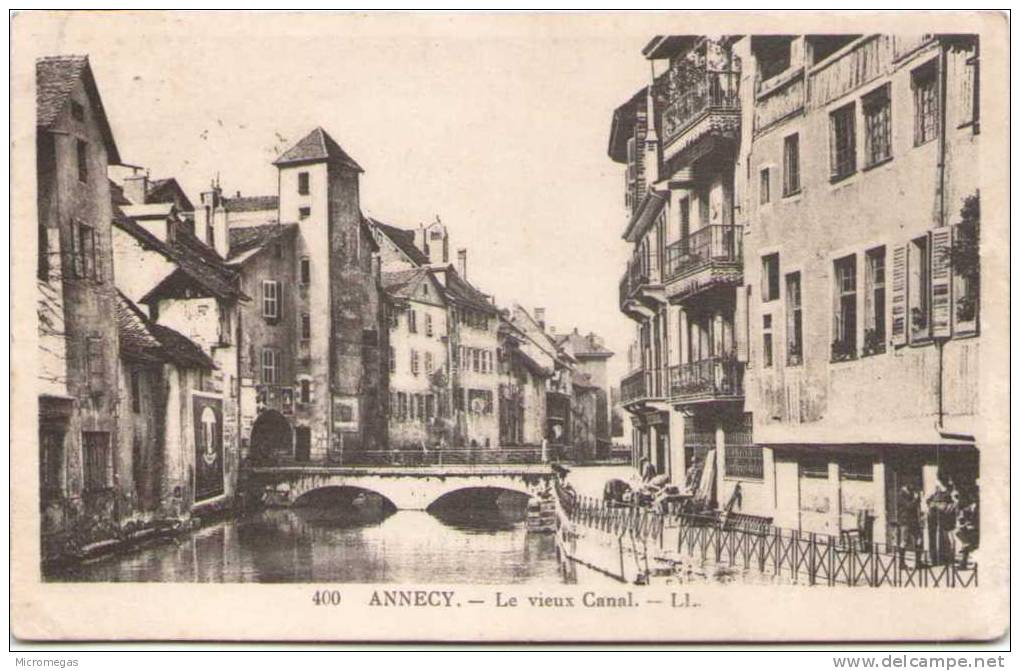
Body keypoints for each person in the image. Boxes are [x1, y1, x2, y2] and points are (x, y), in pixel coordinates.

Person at [925, 473, 957, 565]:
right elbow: (928, 501)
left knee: (943, 538)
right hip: (933, 518)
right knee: (933, 537)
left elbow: (952, 505)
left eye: (938, 483)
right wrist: (932, 504)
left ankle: (943, 558)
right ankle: (934, 558)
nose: (937, 485)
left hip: (943, 519)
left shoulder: (948, 493)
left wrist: (944, 507)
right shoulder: (935, 493)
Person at [895, 483, 922, 568]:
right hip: (905, 521)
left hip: (913, 521)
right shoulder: (901, 495)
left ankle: (918, 562)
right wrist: (916, 499)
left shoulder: (908, 494)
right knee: (904, 541)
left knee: (919, 539)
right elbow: (909, 506)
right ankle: (901, 563)